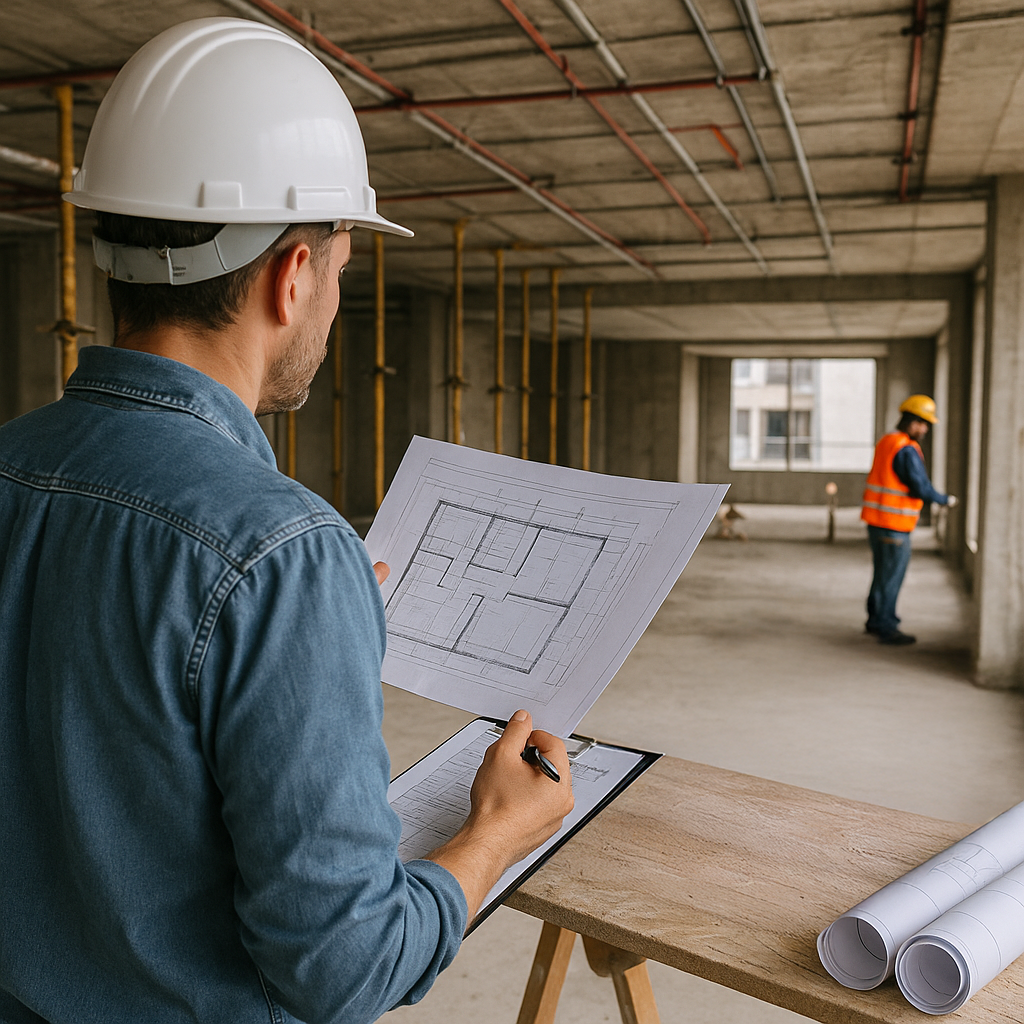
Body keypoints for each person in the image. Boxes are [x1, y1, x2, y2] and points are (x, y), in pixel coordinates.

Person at [0, 19, 573, 1024]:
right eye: (344, 274)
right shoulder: (280, 553)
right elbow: (344, 968)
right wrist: (491, 835)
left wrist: (299, 631)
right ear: (293, 272)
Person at [861, 394, 958, 646]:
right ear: (912, 421)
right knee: (892, 576)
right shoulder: (906, 448)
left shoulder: (887, 441)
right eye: (923, 423)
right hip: (895, 526)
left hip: (876, 521)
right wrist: (944, 499)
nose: (925, 429)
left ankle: (874, 619)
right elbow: (919, 487)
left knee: (881, 573)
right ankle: (886, 627)